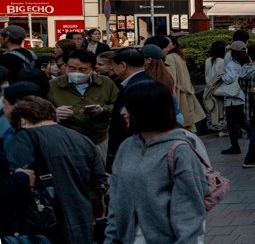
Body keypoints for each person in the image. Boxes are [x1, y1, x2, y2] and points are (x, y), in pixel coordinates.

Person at [104, 79, 206, 244]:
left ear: (144, 109)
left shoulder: (179, 150)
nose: (122, 112)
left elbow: (189, 210)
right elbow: (116, 202)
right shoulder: (127, 147)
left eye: (128, 106)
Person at [5, 94, 105, 244]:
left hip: (45, 223)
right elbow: (99, 181)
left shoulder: (25, 138)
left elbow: (12, 177)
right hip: (83, 219)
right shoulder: (82, 139)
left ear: (22, 121)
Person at [48, 46, 119, 158]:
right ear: (65, 66)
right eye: (72, 69)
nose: (77, 73)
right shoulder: (53, 85)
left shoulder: (106, 83)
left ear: (92, 68)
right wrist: (54, 114)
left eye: (83, 70)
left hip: (97, 140)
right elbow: (40, 113)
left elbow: (118, 107)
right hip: (66, 141)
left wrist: (103, 109)